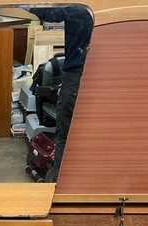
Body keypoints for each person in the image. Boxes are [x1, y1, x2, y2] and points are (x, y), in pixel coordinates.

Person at [31, 5, 94, 182]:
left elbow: (51, 13)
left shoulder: (80, 8)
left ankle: (61, 185)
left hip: (77, 77)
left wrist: (27, 5)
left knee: (65, 136)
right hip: (98, 76)